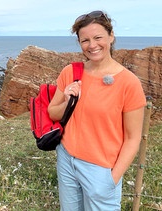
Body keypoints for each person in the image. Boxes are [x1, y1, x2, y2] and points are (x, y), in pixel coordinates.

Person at [48, 11, 146, 210]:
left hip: (101, 169)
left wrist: (111, 179)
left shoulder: (129, 83)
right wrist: (68, 100)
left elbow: (132, 138)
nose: (92, 45)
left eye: (98, 37)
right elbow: (52, 113)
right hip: (67, 160)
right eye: (85, 40)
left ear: (111, 36)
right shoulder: (71, 72)